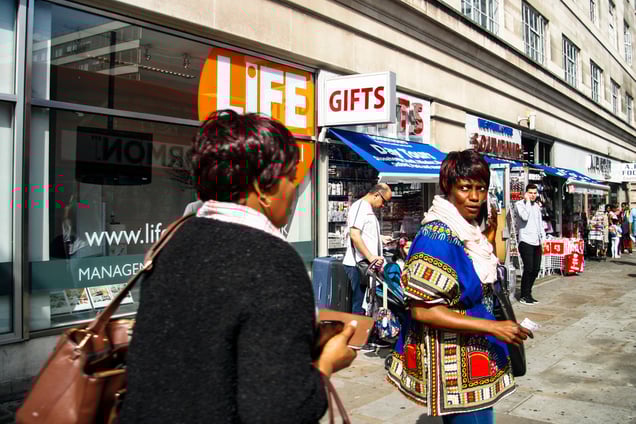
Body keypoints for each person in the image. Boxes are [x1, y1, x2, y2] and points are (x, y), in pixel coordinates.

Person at [120, 110, 357, 423]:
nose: (294, 189)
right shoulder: (273, 262)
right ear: (264, 187)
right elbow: (281, 412)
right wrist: (326, 363)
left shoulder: (173, 240)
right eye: (290, 177)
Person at [386, 149, 532, 424]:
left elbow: (477, 272)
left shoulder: (466, 229)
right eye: (465, 188)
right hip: (456, 368)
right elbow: (423, 311)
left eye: (481, 188)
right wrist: (494, 327)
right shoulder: (437, 237)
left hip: (474, 360)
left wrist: (489, 233)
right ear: (448, 187)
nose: (475, 197)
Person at [343, 183, 393, 315]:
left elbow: (362, 232)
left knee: (366, 305)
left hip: (366, 265)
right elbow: (354, 235)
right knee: (360, 306)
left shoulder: (366, 208)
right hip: (359, 265)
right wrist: (371, 257)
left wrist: (380, 238)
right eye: (384, 201)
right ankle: (358, 327)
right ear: (377, 195)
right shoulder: (360, 207)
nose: (383, 206)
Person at [515, 183, 546, 305]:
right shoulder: (519, 204)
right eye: (530, 193)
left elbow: (540, 224)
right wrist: (527, 201)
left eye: (534, 193)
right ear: (526, 193)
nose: (533, 195)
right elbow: (524, 217)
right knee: (528, 268)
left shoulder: (537, 206)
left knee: (536, 269)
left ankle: (528, 293)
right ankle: (524, 295)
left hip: (537, 241)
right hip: (525, 240)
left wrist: (543, 239)